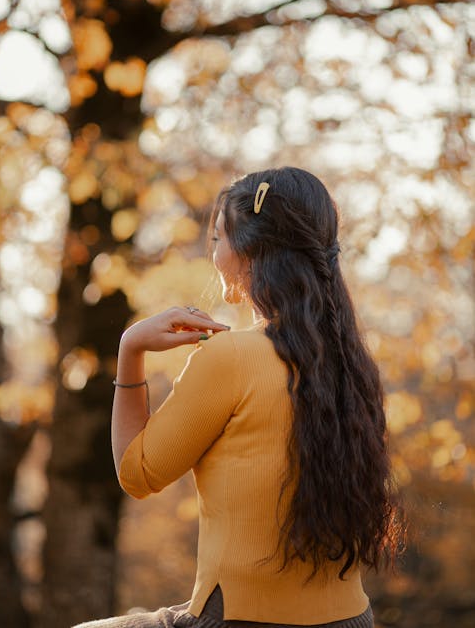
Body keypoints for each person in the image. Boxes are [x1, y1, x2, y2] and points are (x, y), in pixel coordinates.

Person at [73, 166, 405, 628]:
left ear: (249, 249)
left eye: (217, 239)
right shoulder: (352, 366)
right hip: (352, 618)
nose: (215, 253)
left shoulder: (230, 357)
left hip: (237, 618)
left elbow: (137, 474)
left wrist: (131, 347)